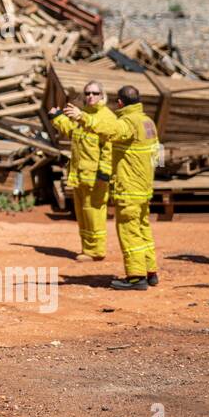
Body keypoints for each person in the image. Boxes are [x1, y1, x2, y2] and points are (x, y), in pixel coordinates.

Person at [68, 84, 159, 291]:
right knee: (143, 229)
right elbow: (157, 155)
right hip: (144, 187)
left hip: (129, 188)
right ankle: (150, 271)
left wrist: (82, 117)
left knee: (129, 231)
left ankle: (136, 277)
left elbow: (110, 130)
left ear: (119, 102)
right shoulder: (147, 122)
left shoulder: (128, 122)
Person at [49, 82, 117, 263]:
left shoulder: (106, 118)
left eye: (95, 93)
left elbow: (109, 147)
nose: (91, 96)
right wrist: (57, 117)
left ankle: (96, 250)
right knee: (83, 214)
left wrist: (104, 172)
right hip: (81, 176)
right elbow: (72, 132)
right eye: (87, 93)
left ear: (103, 95)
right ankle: (87, 249)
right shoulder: (83, 116)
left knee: (94, 214)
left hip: (96, 178)